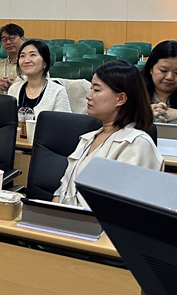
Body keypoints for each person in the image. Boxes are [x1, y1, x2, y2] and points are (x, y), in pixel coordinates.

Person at [54, 61, 163, 207]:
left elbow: (127, 206)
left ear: (121, 99)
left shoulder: (137, 144)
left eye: (96, 90)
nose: (88, 96)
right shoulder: (88, 138)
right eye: (91, 88)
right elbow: (66, 186)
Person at [6, 40, 71, 113]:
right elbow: (6, 117)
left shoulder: (58, 91)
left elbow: (64, 119)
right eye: (22, 56)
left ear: (45, 63)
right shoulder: (14, 89)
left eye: (33, 55)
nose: (26, 60)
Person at [143, 40, 177, 123]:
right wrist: (142, 113)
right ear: (151, 69)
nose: (169, 77)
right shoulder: (133, 91)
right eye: (163, 71)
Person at [0, 24, 25, 94]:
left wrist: (13, 88)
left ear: (22, 39)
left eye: (11, 38)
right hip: (0, 100)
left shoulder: (31, 64)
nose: (8, 42)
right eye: (4, 40)